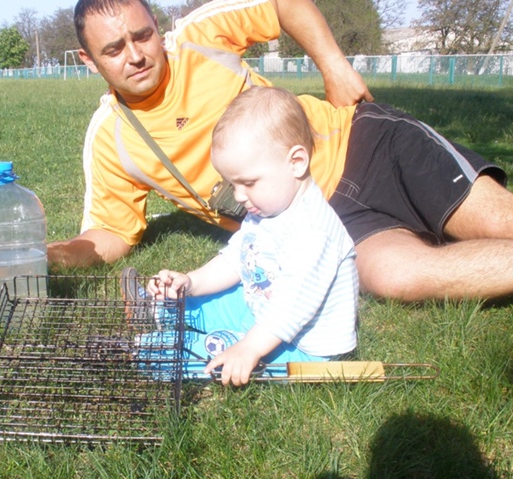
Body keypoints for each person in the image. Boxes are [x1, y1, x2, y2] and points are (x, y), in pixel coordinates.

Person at [48, 0, 513, 303]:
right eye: (114, 49)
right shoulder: (111, 137)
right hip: (318, 224)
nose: (136, 55)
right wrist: (49, 256)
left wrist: (333, 65)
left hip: (366, 144)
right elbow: (111, 232)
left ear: (157, 29)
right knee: (398, 277)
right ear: (88, 60)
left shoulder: (201, 36)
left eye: (142, 36)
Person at [136, 86, 357, 386]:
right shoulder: (268, 208)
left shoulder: (313, 232)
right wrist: (192, 281)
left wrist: (249, 347)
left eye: (248, 183)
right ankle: (158, 308)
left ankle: (146, 353)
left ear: (296, 163)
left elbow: (291, 308)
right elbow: (236, 260)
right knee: (206, 301)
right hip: (258, 305)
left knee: (220, 346)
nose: (238, 196)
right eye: (232, 183)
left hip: (301, 343)